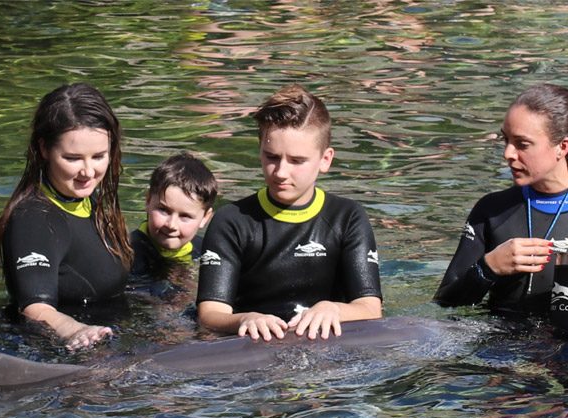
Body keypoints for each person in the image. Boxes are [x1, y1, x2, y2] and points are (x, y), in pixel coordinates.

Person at [434, 83, 568, 324]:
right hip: (501, 350)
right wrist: (488, 267)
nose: (508, 153)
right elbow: (445, 303)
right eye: (506, 140)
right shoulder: (491, 211)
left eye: (522, 144)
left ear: (562, 147)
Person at [196, 84, 383, 341]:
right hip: (250, 343)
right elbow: (210, 314)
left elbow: (370, 308)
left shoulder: (347, 218)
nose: (281, 172)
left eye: (297, 161)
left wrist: (334, 309)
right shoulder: (232, 221)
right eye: (272, 157)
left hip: (327, 344)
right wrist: (246, 318)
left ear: (325, 160)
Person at [0, 83, 133, 351]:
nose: (88, 171)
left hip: (107, 338)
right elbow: (35, 308)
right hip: (59, 355)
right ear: (44, 149)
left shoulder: (89, 202)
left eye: (99, 156)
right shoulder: (33, 219)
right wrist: (76, 331)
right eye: (72, 158)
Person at [130, 152, 216, 276]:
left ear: (205, 218)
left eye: (185, 216)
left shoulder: (206, 250)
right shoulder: (129, 254)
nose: (171, 225)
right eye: (163, 210)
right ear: (148, 201)